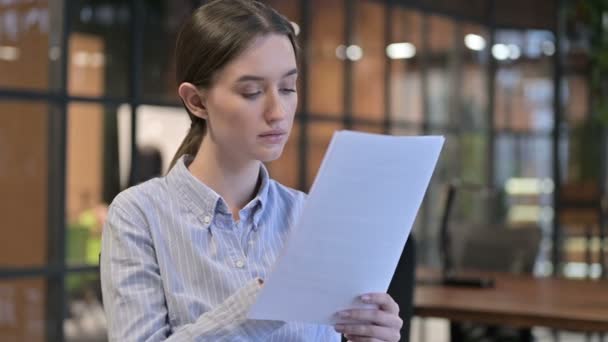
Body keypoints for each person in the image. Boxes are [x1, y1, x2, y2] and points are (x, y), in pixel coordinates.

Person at [100, 0, 403, 341]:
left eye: (288, 88)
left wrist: (371, 336)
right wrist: (258, 307)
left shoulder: (307, 215)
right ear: (196, 101)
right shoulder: (139, 215)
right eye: (252, 91)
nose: (278, 112)